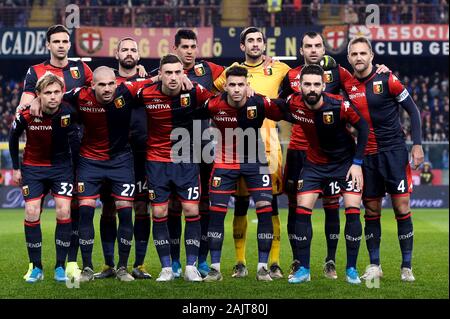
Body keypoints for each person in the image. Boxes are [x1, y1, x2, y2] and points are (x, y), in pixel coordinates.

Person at [279, 31, 389, 279]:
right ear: (302, 50)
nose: (314, 50)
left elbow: (360, 88)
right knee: (296, 207)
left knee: (334, 206)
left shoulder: (338, 74)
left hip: (340, 156)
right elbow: (278, 105)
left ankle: (335, 262)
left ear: (324, 49)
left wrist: (378, 71)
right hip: (302, 151)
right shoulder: (292, 77)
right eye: (309, 46)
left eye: (318, 45)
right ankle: (300, 263)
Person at [31, 66, 152, 282]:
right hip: (90, 162)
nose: (107, 89)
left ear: (116, 83)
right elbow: (53, 93)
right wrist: (34, 100)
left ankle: (122, 268)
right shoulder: (79, 95)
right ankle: (88, 268)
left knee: (125, 212)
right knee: (85, 213)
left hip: (121, 161)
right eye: (102, 85)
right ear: (92, 85)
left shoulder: (128, 90)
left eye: (110, 84)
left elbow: (159, 80)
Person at [343, 37, 424, 282]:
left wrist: (417, 145)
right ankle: (375, 264)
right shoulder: (345, 85)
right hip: (366, 156)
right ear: (349, 59)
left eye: (363, 53)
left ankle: (406, 266)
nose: (358, 57)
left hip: (394, 153)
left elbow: (413, 110)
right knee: (371, 209)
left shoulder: (387, 79)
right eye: (354, 54)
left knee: (402, 207)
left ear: (371, 56)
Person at [214, 27, 290, 279]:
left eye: (259, 40)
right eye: (251, 41)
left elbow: (305, 80)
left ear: (264, 45)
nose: (256, 44)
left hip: (270, 147)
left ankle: (274, 262)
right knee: (241, 205)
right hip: (237, 148)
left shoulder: (279, 69)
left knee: (272, 206)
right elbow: (209, 90)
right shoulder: (231, 72)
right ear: (242, 46)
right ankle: (240, 262)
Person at [281, 64, 369, 284]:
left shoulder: (339, 105)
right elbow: (270, 106)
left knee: (352, 210)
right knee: (302, 209)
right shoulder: (294, 103)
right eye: (307, 84)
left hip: (345, 165)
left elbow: (364, 128)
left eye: (316, 84)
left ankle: (351, 269)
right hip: (314, 165)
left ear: (324, 85)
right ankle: (304, 269)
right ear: (299, 86)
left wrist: (357, 163)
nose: (312, 89)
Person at [19, 24, 93, 280]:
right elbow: (24, 104)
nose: (61, 45)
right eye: (56, 41)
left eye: (65, 41)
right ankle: (35, 265)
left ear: (69, 44)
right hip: (42, 152)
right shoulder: (35, 71)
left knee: (70, 208)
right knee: (33, 210)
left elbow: (99, 92)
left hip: (75, 148)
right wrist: (35, 100)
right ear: (48, 45)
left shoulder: (82, 69)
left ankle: (69, 262)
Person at [198, 66, 284, 282]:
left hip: (255, 162)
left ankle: (263, 268)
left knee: (265, 211)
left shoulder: (260, 102)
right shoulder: (214, 104)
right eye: (232, 85)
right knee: (216, 215)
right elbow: (191, 113)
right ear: (225, 86)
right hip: (224, 163)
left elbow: (285, 110)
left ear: (248, 86)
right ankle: (215, 269)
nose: (236, 89)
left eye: (241, 85)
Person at [138, 54, 214, 282]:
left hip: (187, 161)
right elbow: (118, 91)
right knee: (159, 212)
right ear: (159, 74)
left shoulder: (196, 91)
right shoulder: (145, 92)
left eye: (177, 72)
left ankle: (191, 266)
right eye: (168, 72)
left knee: (192, 211)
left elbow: (221, 104)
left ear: (184, 73)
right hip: (156, 162)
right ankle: (167, 268)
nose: (173, 77)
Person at [94, 37, 153, 280]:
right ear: (116, 54)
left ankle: (138, 264)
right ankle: (109, 265)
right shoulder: (105, 82)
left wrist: (146, 75)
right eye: (124, 49)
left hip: (141, 154)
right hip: (111, 154)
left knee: (141, 207)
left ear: (139, 56)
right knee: (108, 207)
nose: (129, 53)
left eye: (133, 50)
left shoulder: (147, 81)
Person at [168, 29, 225, 278]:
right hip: (174, 147)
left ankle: (201, 259)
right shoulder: (165, 72)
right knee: (173, 206)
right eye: (185, 47)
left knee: (203, 204)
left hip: (204, 146)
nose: (190, 51)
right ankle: (174, 261)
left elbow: (237, 76)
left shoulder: (210, 71)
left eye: (193, 46)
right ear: (175, 49)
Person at [9, 74, 77, 283]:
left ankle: (60, 266)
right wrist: (15, 168)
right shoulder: (26, 114)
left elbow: (76, 141)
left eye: (57, 92)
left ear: (62, 92)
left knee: (64, 210)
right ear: (38, 95)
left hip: (61, 167)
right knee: (31, 211)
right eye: (47, 93)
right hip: (33, 168)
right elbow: (13, 139)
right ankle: (36, 266)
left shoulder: (69, 111)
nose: (53, 97)